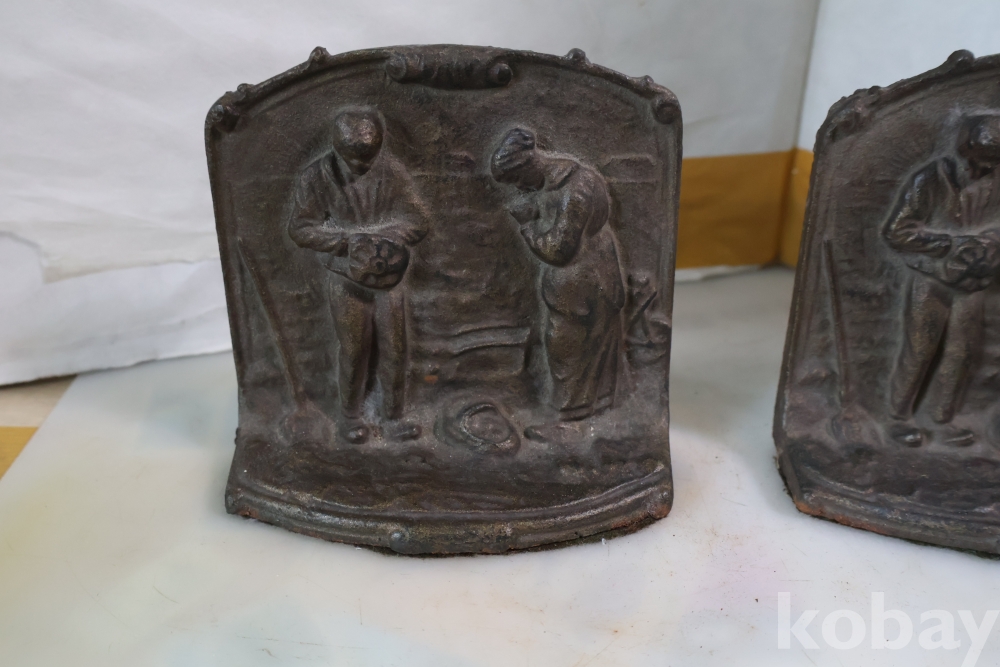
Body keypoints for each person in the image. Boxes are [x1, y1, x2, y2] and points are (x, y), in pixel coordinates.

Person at [288, 108, 430, 443]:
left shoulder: (391, 171)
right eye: (353, 160)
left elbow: (418, 220)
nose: (362, 167)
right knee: (354, 349)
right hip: (345, 276)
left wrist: (388, 237)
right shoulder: (315, 176)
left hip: (389, 277)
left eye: (369, 158)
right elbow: (300, 228)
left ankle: (393, 416)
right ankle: (351, 416)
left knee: (395, 348)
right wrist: (347, 242)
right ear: (336, 148)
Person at [490, 127, 625, 430]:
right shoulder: (561, 183)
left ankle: (570, 422)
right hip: (578, 285)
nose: (519, 188)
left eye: (517, 180)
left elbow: (559, 250)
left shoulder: (575, 188)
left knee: (568, 354)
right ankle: (578, 415)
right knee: (568, 352)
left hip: (581, 287)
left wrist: (528, 226)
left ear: (529, 164)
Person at [882, 114, 1000, 446]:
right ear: (965, 150)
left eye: (993, 163)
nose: (984, 170)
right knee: (920, 349)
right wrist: (948, 244)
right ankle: (897, 417)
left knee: (962, 352)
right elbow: (896, 232)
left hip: (973, 281)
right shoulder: (930, 179)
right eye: (980, 161)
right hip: (930, 278)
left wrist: (991, 241)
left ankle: (942, 420)